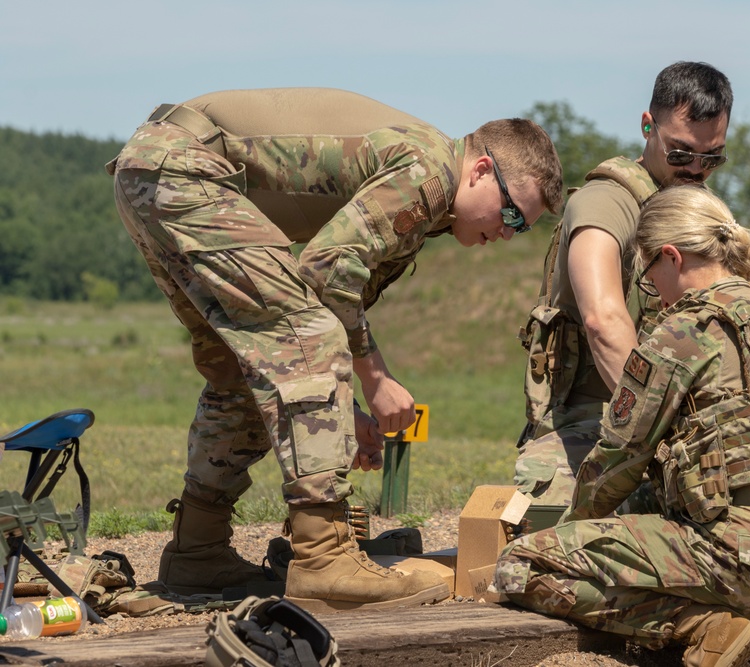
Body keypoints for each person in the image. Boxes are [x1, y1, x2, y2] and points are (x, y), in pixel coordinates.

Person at [106, 87, 563, 612]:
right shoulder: (429, 170)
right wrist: (376, 380)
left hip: (156, 170)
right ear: (481, 169)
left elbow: (333, 310)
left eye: (522, 229)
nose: (508, 234)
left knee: (245, 365)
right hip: (183, 170)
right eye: (510, 216)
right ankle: (324, 560)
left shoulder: (429, 207)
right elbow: (325, 272)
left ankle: (198, 550)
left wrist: (347, 414)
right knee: (307, 335)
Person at [496, 186, 750, 667]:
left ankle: (706, 627)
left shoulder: (684, 330)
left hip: (748, 563)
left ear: (671, 257)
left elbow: (617, 460)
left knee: (523, 566)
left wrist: (575, 532)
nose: (651, 292)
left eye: (648, 276)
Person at [516, 62, 732, 506]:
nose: (694, 169)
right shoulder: (605, 203)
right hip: (600, 416)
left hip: (693, 418)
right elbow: (603, 320)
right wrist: (663, 432)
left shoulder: (704, 212)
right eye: (680, 153)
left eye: (711, 159)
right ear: (647, 126)